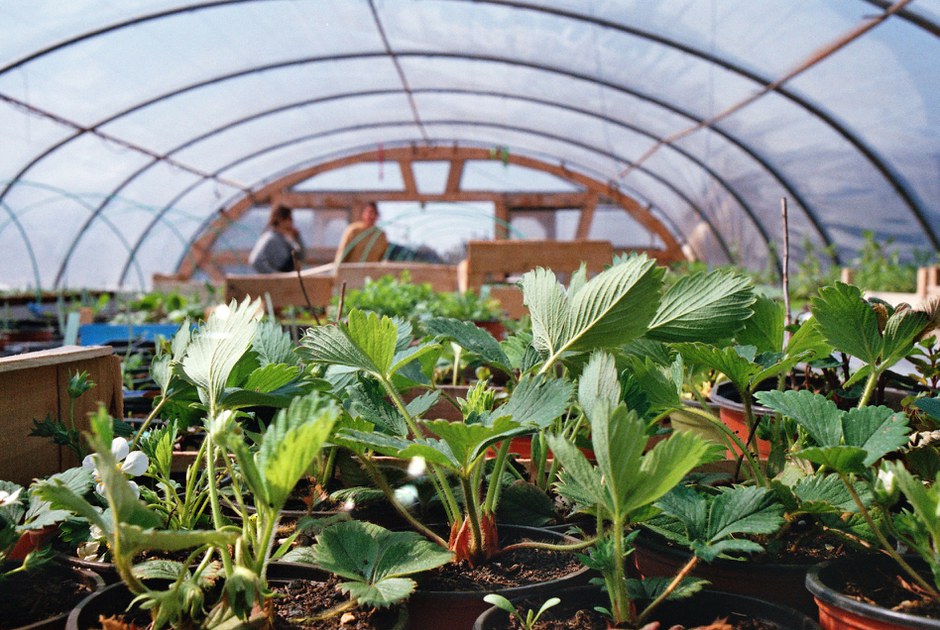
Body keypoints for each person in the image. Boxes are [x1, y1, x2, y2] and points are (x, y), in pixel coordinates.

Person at [248, 204, 305, 273]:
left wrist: (297, 237)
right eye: (290, 218)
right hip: (276, 282)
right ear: (281, 220)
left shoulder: (284, 239)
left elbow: (300, 257)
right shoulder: (270, 238)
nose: (292, 222)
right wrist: (274, 275)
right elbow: (255, 261)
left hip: (286, 280)